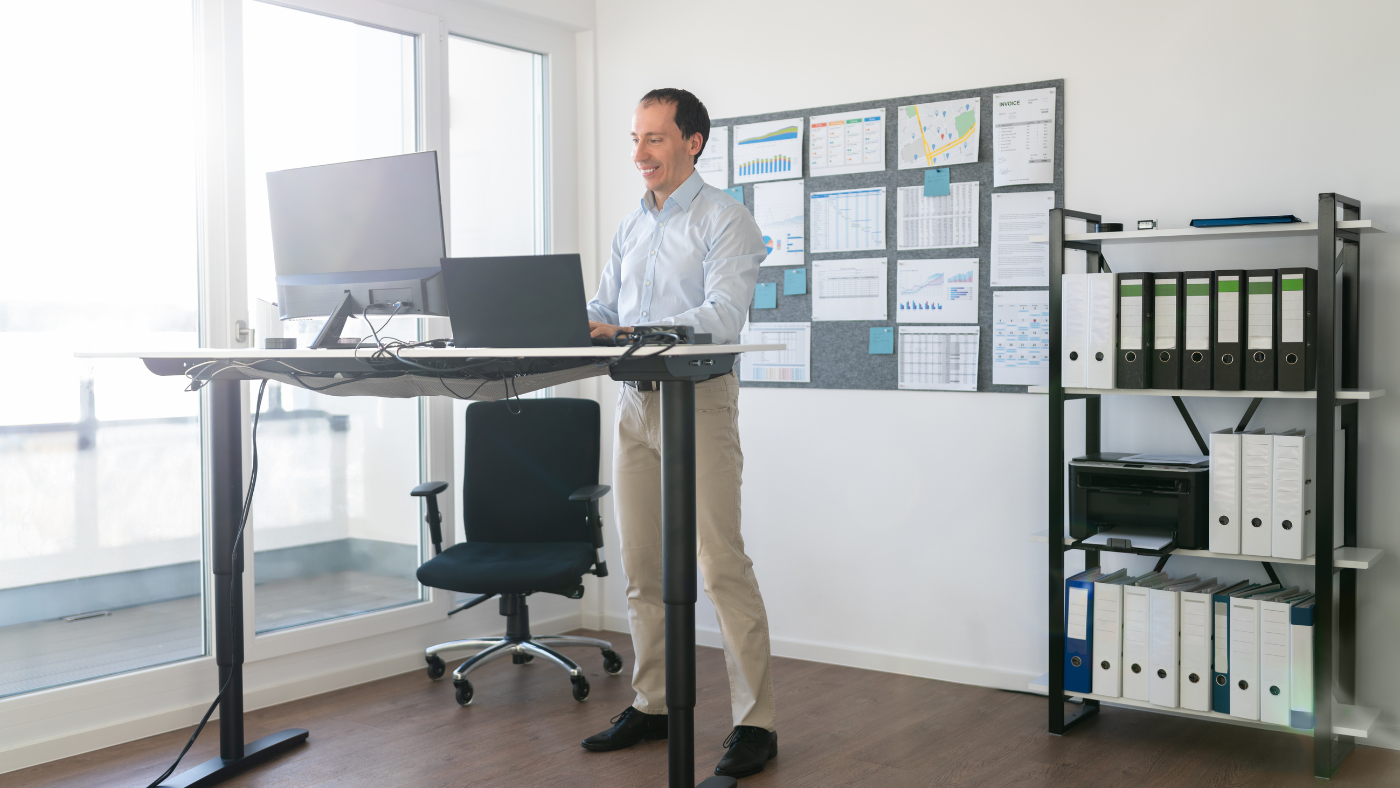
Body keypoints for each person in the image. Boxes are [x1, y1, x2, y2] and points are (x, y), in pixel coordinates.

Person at [580, 87, 777, 779]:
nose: (639, 154)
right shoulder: (631, 227)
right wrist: (571, 318)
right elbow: (604, 305)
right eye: (634, 139)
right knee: (642, 567)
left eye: (654, 138)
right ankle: (654, 701)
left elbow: (723, 316)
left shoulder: (726, 220)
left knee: (721, 564)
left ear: (692, 141)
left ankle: (756, 722)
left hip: (698, 399)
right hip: (635, 406)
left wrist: (626, 330)